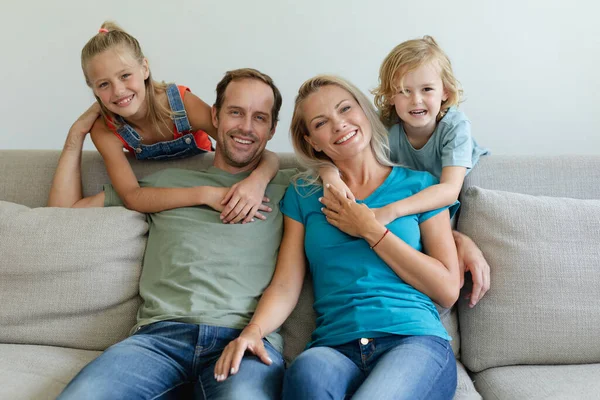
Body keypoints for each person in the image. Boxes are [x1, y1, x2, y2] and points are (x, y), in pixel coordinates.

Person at [51, 68, 293, 399]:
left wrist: (264, 175)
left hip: (245, 341)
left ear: (272, 129)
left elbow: (346, 165)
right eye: (236, 112)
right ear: (215, 116)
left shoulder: (290, 187)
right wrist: (75, 136)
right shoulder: (162, 184)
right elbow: (61, 214)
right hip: (159, 339)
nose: (246, 127)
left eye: (260, 117)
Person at [215, 75, 460, 399]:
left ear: (364, 111)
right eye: (321, 123)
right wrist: (254, 330)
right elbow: (287, 282)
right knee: (304, 375)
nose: (339, 125)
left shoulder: (421, 187)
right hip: (334, 348)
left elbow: (447, 290)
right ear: (312, 140)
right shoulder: (302, 194)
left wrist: (370, 229)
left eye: (346, 109)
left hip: (414, 340)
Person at [321, 35, 490, 307]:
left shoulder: (455, 126)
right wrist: (329, 175)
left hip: (449, 198)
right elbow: (342, 152)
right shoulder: (385, 125)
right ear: (389, 96)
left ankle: (460, 239)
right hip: (421, 208)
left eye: (427, 89)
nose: (416, 100)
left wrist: (391, 211)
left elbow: (449, 191)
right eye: (404, 91)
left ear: (445, 91)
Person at [77, 21, 279, 223]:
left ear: (145, 68)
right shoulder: (106, 130)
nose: (118, 91)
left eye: (125, 75)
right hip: (167, 187)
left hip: (204, 174)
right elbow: (132, 197)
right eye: (104, 84)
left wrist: (258, 181)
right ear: (92, 89)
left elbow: (251, 149)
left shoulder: (181, 105)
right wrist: (75, 134)